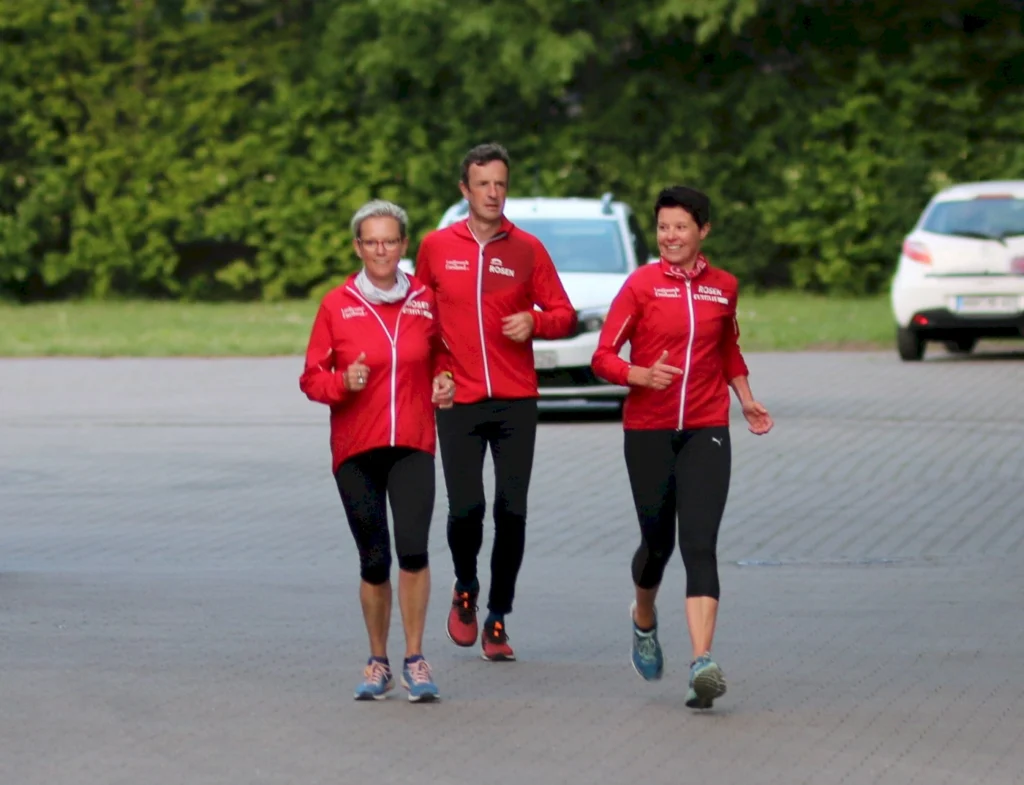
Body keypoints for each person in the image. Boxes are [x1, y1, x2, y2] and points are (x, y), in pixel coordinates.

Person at [591, 185, 773, 709]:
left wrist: (746, 399)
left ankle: (701, 662)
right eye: (664, 227)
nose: (670, 236)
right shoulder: (641, 286)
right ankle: (643, 617)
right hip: (647, 430)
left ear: (703, 230)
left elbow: (727, 348)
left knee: (699, 542)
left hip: (705, 427)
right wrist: (639, 374)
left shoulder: (724, 288)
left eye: (681, 227)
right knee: (657, 545)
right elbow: (602, 357)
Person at [415, 143, 576, 661]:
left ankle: (498, 616)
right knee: (467, 508)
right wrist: (436, 372)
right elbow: (419, 318)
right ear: (464, 189)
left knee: (512, 511)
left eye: (500, 184)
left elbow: (563, 313)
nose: (492, 193)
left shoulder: (527, 249)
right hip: (459, 399)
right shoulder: (437, 247)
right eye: (482, 184)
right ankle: (466, 587)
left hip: (515, 401)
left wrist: (537, 321)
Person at [299, 199, 456, 702]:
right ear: (358, 247)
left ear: (404, 245)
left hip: (412, 442)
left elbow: (442, 355)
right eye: (372, 241)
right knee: (374, 559)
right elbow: (311, 378)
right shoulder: (335, 304)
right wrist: (343, 382)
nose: (382, 249)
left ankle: (415, 658)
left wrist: (445, 379)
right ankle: (377, 661)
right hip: (357, 448)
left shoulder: (425, 301)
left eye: (390, 240)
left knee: (413, 550)